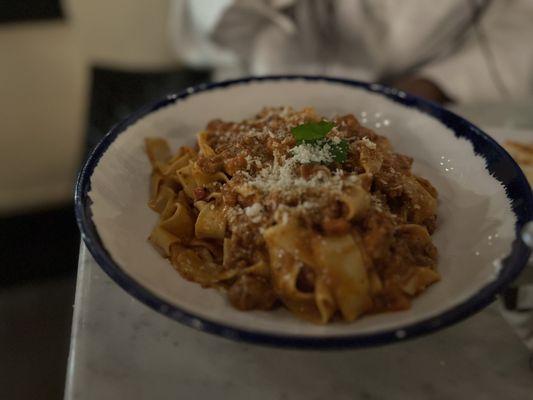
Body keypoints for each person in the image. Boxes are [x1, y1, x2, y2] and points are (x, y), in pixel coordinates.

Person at [170, 0, 533, 104]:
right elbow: (212, 14)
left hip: (415, 87)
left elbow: (521, 20)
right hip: (254, 80)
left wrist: (437, 83)